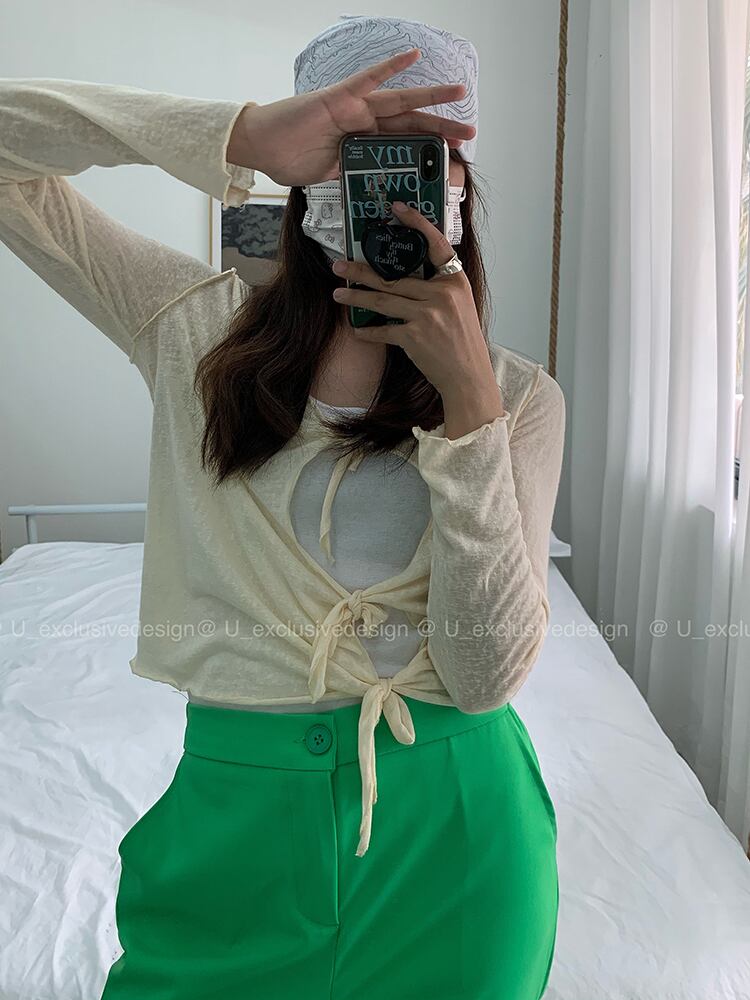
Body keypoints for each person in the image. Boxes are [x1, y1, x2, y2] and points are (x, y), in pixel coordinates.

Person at [0, 14, 564, 1000]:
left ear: (462, 184)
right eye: (360, 148)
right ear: (307, 180)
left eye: (429, 154)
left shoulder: (520, 399)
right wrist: (238, 133)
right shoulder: (189, 330)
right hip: (237, 831)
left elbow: (483, 679)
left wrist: (470, 409)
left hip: (461, 840)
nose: (395, 181)